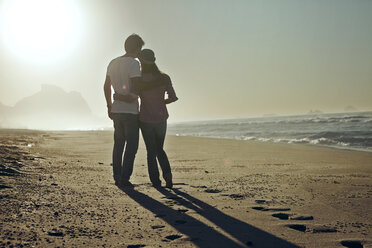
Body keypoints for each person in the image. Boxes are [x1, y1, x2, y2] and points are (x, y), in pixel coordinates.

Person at [104, 34, 165, 187]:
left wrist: (110, 105)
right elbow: (135, 90)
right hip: (130, 112)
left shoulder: (112, 62)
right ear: (137, 48)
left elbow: (106, 86)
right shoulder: (133, 63)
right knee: (131, 146)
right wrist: (124, 97)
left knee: (118, 144)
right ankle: (125, 177)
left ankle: (117, 176)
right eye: (140, 48)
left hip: (116, 110)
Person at [114, 49, 178, 188]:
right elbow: (173, 97)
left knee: (151, 151)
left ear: (141, 61)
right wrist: (162, 103)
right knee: (159, 149)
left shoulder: (139, 79)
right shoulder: (164, 77)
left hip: (145, 119)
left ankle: (156, 182)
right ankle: (168, 175)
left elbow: (133, 95)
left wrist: (118, 96)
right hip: (161, 118)